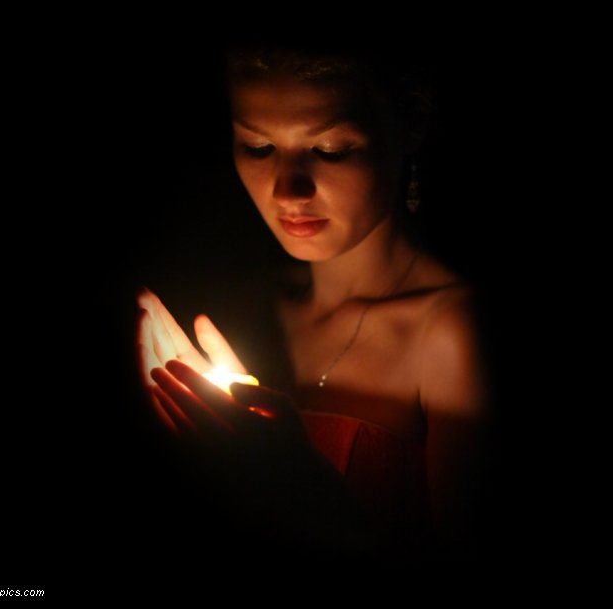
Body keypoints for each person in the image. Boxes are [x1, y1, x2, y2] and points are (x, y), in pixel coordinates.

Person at [134, 39, 495, 567]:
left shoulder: (454, 332)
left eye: (329, 151)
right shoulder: (242, 307)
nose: (288, 191)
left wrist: (311, 500)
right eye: (258, 149)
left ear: (409, 127)